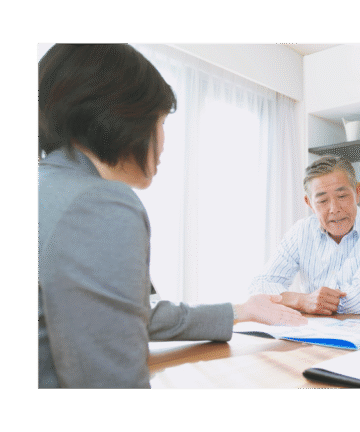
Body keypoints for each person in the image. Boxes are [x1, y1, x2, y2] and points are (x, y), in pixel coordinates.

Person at [37, 44, 306, 388]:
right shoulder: (96, 204)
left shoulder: (50, 186)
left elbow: (127, 314)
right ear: (122, 116)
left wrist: (244, 310)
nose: (163, 141)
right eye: (161, 121)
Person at [248, 155, 360, 315]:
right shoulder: (301, 231)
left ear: (357, 192)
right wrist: (302, 300)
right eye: (322, 201)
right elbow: (258, 287)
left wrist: (313, 303)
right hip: (315, 333)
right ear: (309, 203)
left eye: (342, 196)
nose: (334, 208)